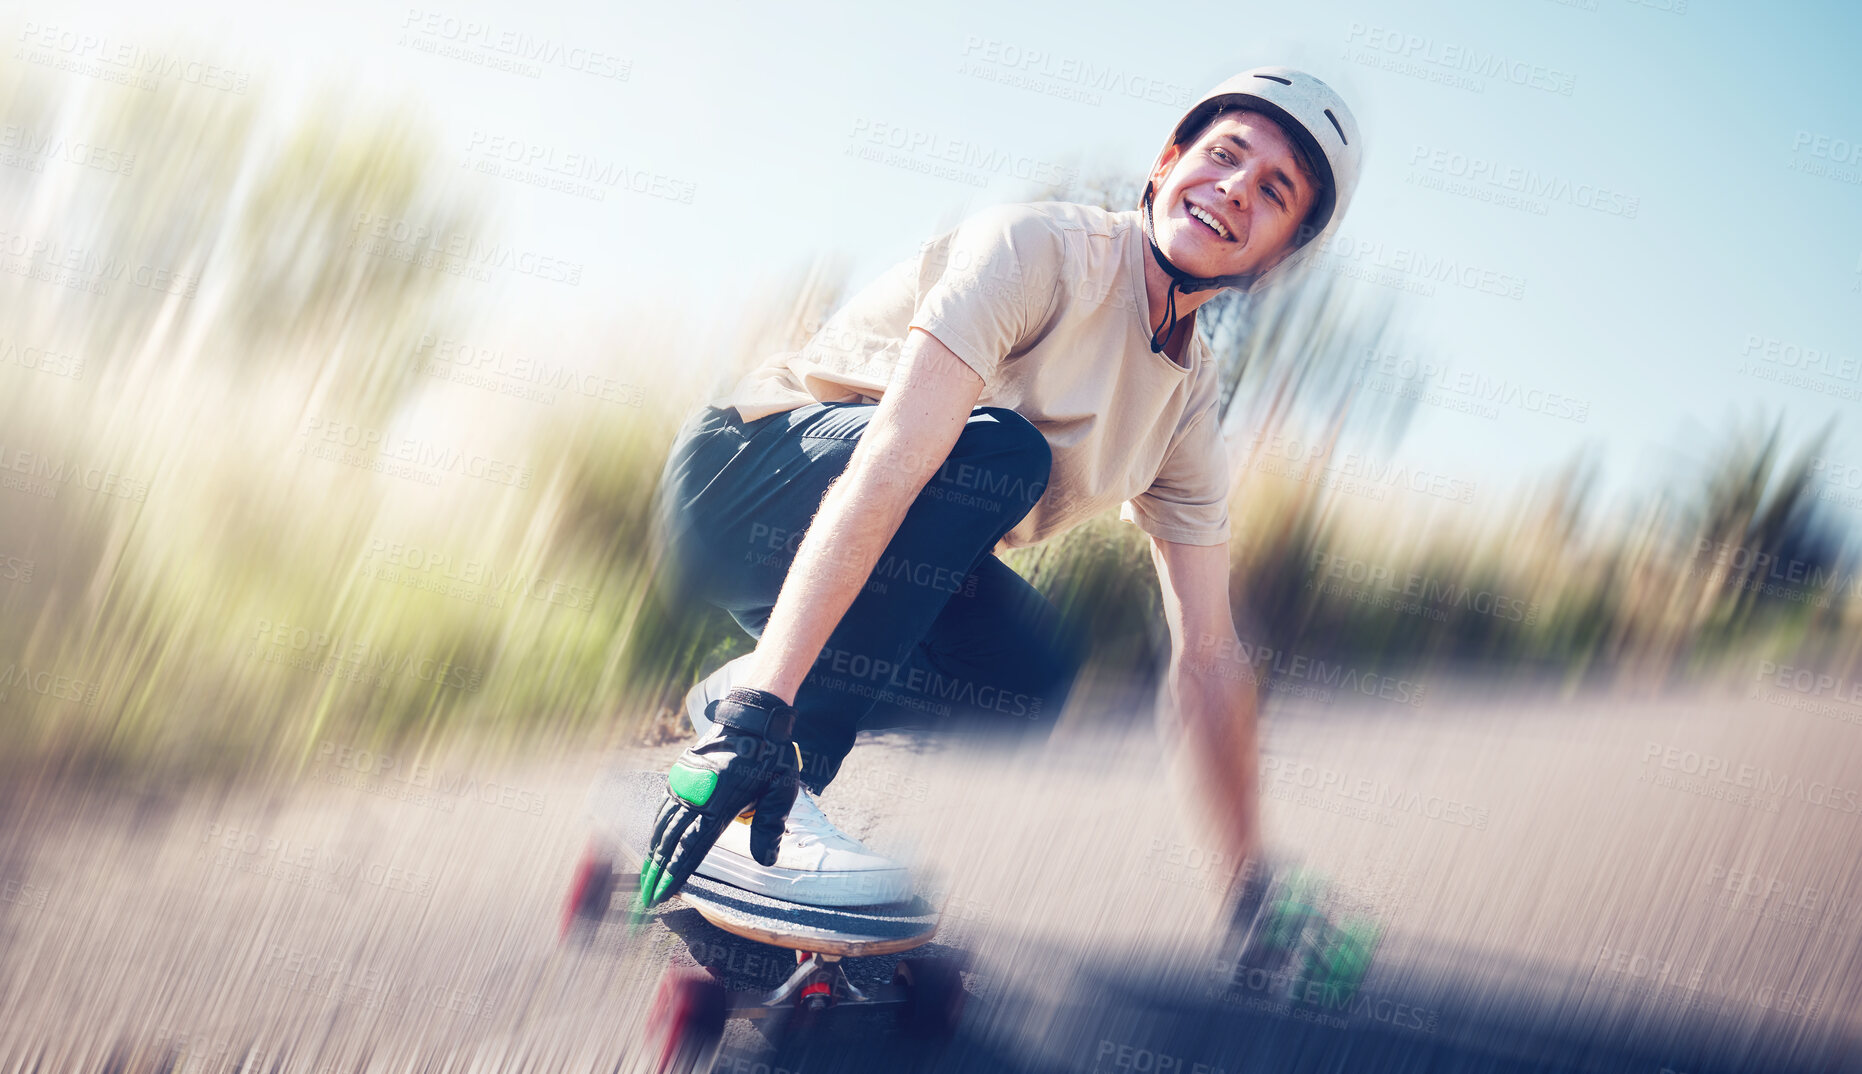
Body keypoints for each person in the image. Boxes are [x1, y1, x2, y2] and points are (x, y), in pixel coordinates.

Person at [637, 67, 1362, 912]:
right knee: (1000, 453)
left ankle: (749, 688)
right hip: (738, 483)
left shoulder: (1187, 398)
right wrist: (766, 718)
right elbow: (896, 461)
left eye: (1273, 191)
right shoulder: (1039, 249)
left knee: (1026, 677)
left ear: (1279, 257)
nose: (1236, 189)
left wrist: (1249, 883)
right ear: (1167, 163)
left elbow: (1209, 658)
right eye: (1224, 154)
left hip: (851, 548)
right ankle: (777, 758)